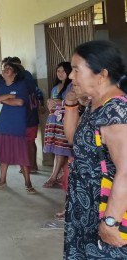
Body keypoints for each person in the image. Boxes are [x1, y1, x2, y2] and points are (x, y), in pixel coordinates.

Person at [63, 40, 127, 258]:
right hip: (86, 205)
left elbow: (126, 171)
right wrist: (71, 104)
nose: (71, 76)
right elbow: (75, 142)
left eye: (76, 69)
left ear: (101, 74)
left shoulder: (116, 111)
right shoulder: (95, 104)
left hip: (107, 207)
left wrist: (111, 221)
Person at [0, 61, 36, 194]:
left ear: (15, 72)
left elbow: (19, 102)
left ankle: (28, 183)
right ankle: (2, 180)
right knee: (3, 155)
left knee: (22, 156)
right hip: (1, 125)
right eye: (4, 68)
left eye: (9, 68)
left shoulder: (21, 85)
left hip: (16, 126)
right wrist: (8, 96)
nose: (5, 69)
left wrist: (0, 99)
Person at [42, 62, 72, 188]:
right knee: (56, 149)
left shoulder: (72, 86)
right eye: (58, 71)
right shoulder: (55, 87)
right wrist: (50, 102)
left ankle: (53, 177)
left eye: (63, 71)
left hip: (66, 121)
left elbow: (72, 102)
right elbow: (51, 104)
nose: (60, 74)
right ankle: (58, 175)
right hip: (54, 120)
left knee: (61, 149)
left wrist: (55, 102)